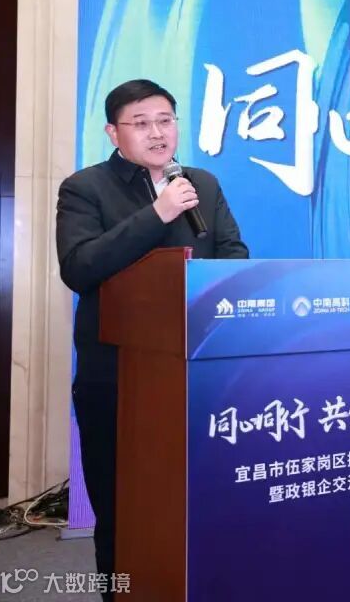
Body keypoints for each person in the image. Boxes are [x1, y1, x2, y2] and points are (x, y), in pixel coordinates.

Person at [56, 79, 249, 600]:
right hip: (117, 379)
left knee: (198, 503)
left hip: (199, 374)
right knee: (124, 510)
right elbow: (79, 267)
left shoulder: (201, 183)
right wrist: (158, 213)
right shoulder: (85, 188)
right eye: (140, 123)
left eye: (165, 120)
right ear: (112, 133)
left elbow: (233, 256)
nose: (157, 133)